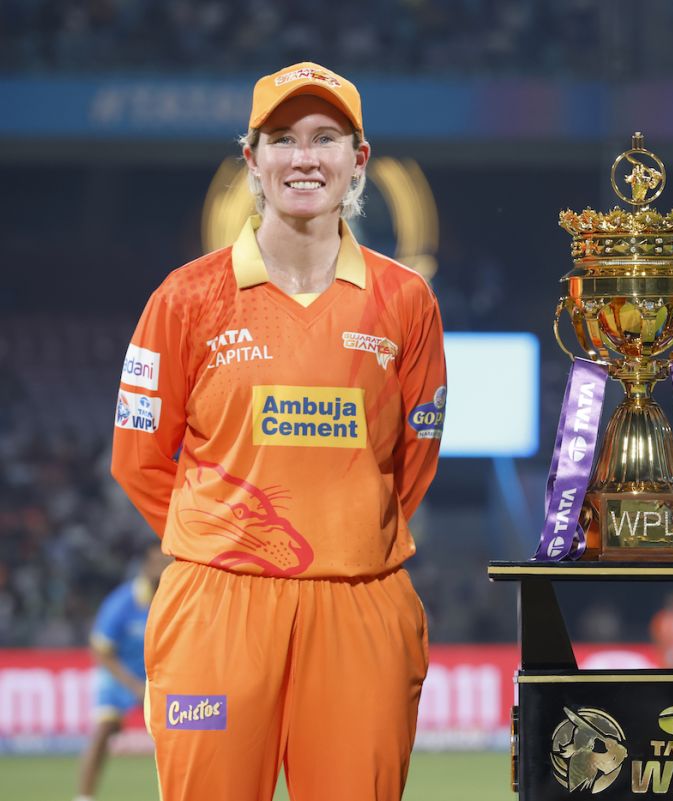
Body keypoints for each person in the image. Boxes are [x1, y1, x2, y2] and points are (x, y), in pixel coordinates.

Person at [111, 62, 447, 800]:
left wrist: (341, 537)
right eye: (283, 139)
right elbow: (138, 459)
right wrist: (229, 542)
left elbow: (413, 461)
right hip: (216, 608)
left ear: (358, 160)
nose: (304, 157)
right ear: (252, 160)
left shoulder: (406, 300)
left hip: (361, 605)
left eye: (326, 138)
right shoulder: (185, 297)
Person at [74, 544, 173, 801]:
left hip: (161, 676)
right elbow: (101, 650)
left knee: (185, 731)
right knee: (104, 728)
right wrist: (133, 685)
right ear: (145, 565)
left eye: (167, 561)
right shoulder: (122, 601)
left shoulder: (175, 597)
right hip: (121, 675)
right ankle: (84, 797)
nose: (163, 566)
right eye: (157, 561)